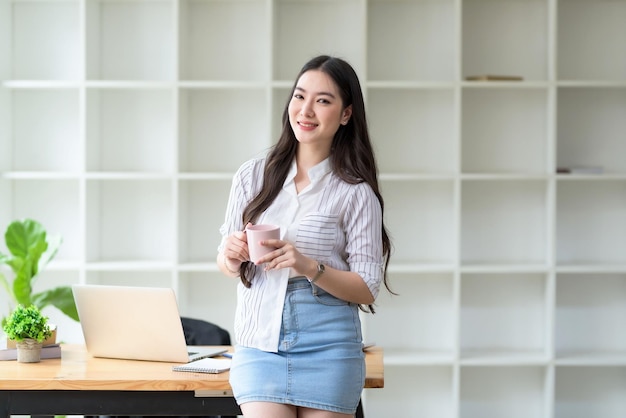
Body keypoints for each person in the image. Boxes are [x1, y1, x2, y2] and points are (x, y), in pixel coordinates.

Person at [217, 55, 392, 418]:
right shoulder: (252, 176)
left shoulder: (356, 193)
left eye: (323, 100)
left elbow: (367, 286)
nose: (306, 110)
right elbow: (224, 261)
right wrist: (231, 257)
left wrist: (308, 265)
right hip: (259, 344)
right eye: (299, 96)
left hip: (329, 347)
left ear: (346, 114)